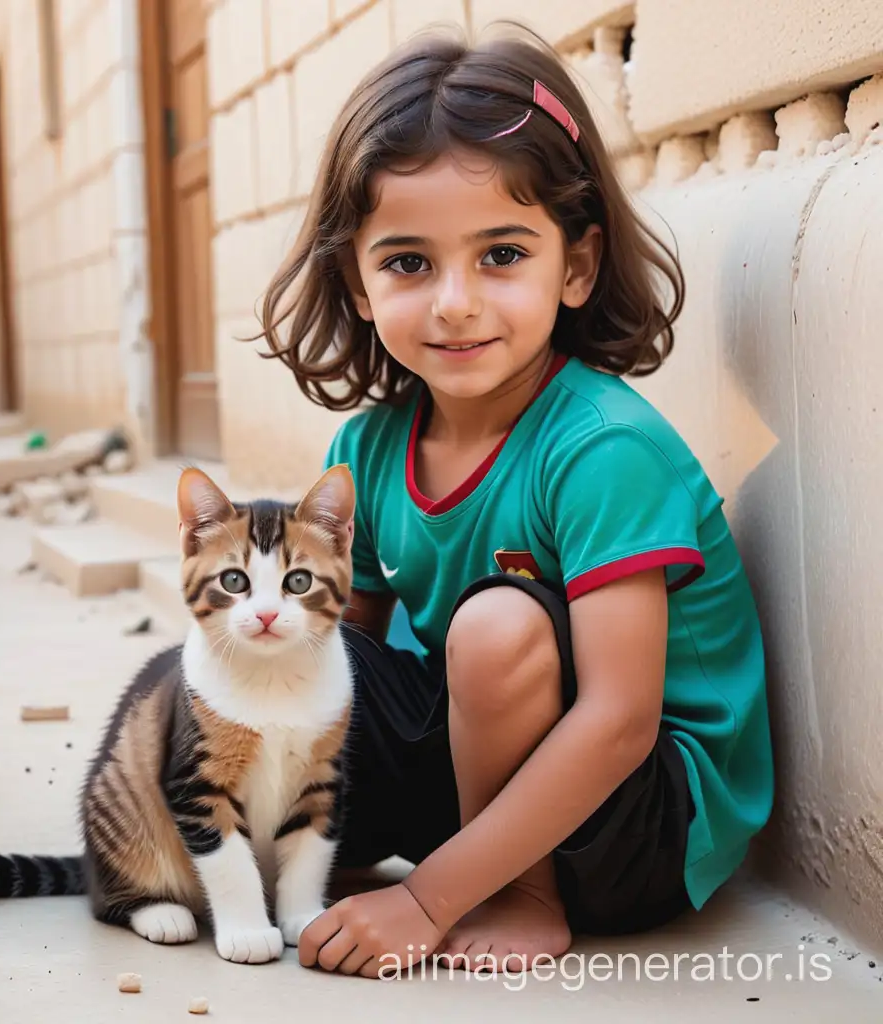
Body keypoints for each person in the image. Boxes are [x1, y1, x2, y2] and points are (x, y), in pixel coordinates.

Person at [250, 24, 773, 978]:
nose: (454, 301)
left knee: (492, 629)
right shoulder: (367, 449)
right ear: (356, 284)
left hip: (639, 816)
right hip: (488, 771)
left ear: (574, 266)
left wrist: (427, 895)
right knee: (288, 653)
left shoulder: (601, 450)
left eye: (501, 254)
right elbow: (347, 667)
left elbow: (619, 720)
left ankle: (514, 895)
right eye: (408, 262)